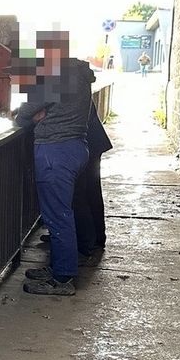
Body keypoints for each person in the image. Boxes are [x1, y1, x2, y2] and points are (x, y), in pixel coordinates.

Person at [13, 42, 95, 296]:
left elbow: (23, 113)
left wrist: (33, 115)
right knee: (61, 212)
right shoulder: (79, 74)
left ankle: (62, 278)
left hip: (55, 152)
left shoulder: (56, 78)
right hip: (75, 146)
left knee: (58, 216)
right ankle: (58, 267)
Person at [73, 105, 112, 256]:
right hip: (90, 140)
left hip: (86, 141)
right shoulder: (78, 81)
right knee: (90, 191)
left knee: (82, 193)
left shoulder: (65, 81)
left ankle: (89, 240)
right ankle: (95, 238)